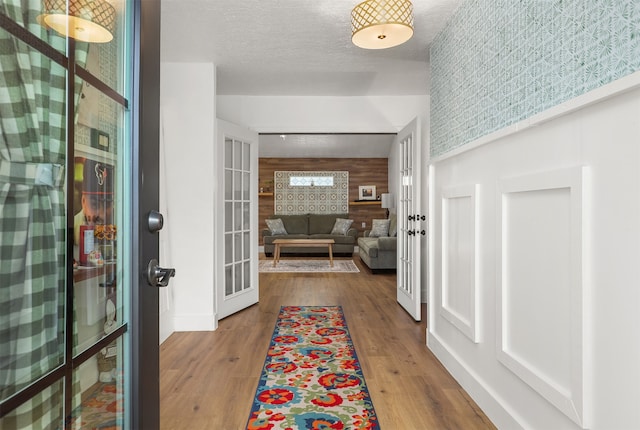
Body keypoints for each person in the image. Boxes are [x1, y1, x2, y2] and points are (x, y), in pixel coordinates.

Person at [74, 159, 115, 251]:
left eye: (107, 204)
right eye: (94, 205)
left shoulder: (121, 224)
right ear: (83, 201)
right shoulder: (73, 228)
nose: (102, 214)